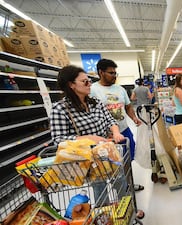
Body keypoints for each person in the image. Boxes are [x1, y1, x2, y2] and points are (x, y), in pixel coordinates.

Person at [49, 66, 145, 218]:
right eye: (84, 82)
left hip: (108, 153)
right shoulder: (60, 109)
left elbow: (110, 120)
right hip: (88, 160)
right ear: (71, 85)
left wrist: (115, 131)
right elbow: (58, 140)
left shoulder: (95, 103)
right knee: (100, 190)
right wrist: (89, 139)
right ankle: (106, 217)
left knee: (121, 183)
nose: (89, 84)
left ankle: (127, 212)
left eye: (89, 81)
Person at [90, 59, 144, 192]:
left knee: (127, 159)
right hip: (104, 136)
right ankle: (117, 188)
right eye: (111, 73)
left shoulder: (120, 89)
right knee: (108, 165)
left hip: (124, 131)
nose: (114, 76)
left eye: (115, 73)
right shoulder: (92, 90)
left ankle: (128, 184)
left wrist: (134, 118)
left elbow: (128, 106)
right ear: (101, 72)